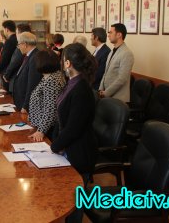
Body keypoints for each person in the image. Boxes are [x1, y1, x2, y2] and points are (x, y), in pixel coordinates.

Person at [51, 43, 98, 222]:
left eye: (63, 60)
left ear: (68, 63)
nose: (61, 64)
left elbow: (73, 128)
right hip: (69, 147)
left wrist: (55, 146)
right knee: (66, 198)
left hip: (80, 152)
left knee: (74, 204)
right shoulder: (72, 83)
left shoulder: (82, 90)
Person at [28, 49, 66, 142]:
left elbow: (51, 108)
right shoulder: (49, 76)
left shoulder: (52, 80)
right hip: (41, 125)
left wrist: (41, 131)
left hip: (47, 130)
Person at [99, 23, 135, 102]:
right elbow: (106, 72)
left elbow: (122, 78)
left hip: (118, 98)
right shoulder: (112, 51)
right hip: (106, 95)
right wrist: (100, 89)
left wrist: (106, 93)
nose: (108, 35)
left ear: (119, 35)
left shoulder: (127, 53)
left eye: (111, 32)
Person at [11, 32, 42, 113]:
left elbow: (32, 84)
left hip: (26, 104)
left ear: (24, 44)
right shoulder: (29, 55)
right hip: (21, 100)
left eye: (19, 45)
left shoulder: (34, 57)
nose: (18, 47)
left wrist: (26, 105)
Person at [3, 23, 31, 94]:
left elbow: (15, 62)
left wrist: (6, 75)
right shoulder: (25, 44)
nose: (16, 35)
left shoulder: (22, 45)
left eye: (17, 33)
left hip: (17, 80)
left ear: (21, 34)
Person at [0, 20, 18, 90]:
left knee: (6, 94)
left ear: (6, 29)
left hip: (7, 72)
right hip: (14, 71)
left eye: (3, 29)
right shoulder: (17, 39)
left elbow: (5, 58)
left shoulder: (9, 41)